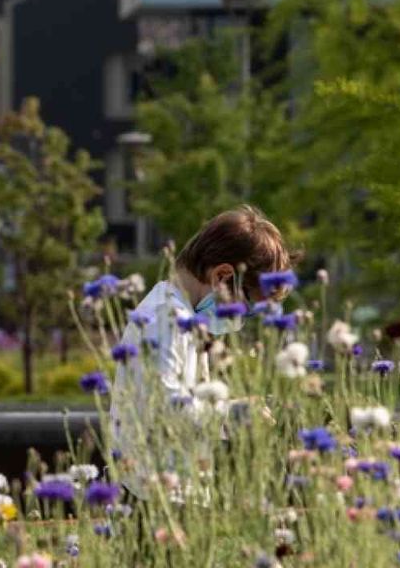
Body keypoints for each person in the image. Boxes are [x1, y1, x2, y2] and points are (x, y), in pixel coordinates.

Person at [108, 205, 295, 499]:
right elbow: (169, 408)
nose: (240, 318)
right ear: (222, 277)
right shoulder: (167, 319)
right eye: (245, 306)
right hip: (155, 496)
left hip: (170, 487)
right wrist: (234, 413)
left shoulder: (179, 313)